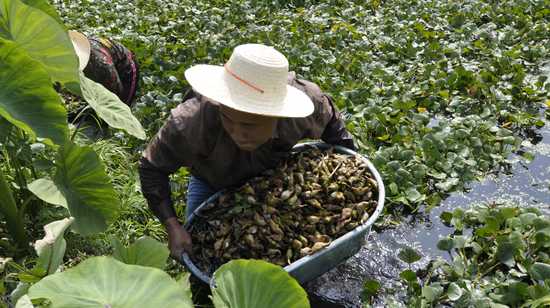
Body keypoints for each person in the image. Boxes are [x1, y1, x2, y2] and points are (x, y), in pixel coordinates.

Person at [138, 43, 355, 259]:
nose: (238, 133)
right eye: (228, 120)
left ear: (277, 115)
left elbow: (333, 125)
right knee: (201, 250)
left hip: (276, 175)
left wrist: (350, 174)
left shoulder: (307, 106)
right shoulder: (192, 120)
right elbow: (151, 167)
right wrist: (172, 226)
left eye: (250, 125)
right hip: (213, 180)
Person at [69, 30, 139, 106]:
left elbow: (115, 93)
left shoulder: (102, 64)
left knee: (122, 104)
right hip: (98, 61)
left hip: (125, 66)